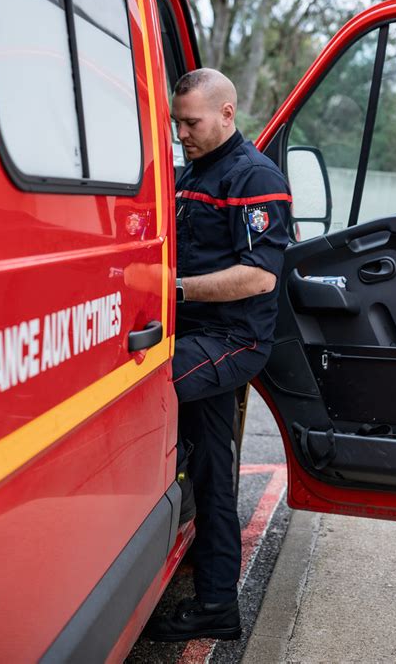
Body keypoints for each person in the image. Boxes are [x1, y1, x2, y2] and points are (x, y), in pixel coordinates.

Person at [145, 68, 291, 642]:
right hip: (190, 333)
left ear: (227, 114)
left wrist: (169, 288)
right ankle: (215, 603)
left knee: (141, 389)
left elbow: (258, 278)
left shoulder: (255, 176)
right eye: (176, 122)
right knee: (211, 471)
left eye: (192, 122)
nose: (181, 132)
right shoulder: (189, 172)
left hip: (232, 341)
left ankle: (212, 597)